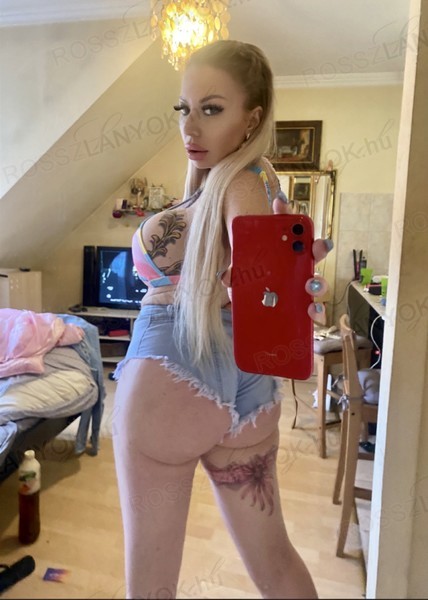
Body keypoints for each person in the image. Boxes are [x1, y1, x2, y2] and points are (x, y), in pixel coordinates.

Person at [113, 39, 332, 599]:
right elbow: (250, 277)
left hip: (172, 368)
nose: (190, 127)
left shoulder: (241, 180)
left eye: (211, 109)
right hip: (247, 387)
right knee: (276, 564)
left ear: (251, 119)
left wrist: (274, 284)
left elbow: (245, 256)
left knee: (151, 587)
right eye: (184, 108)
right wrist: (282, 290)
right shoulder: (244, 179)